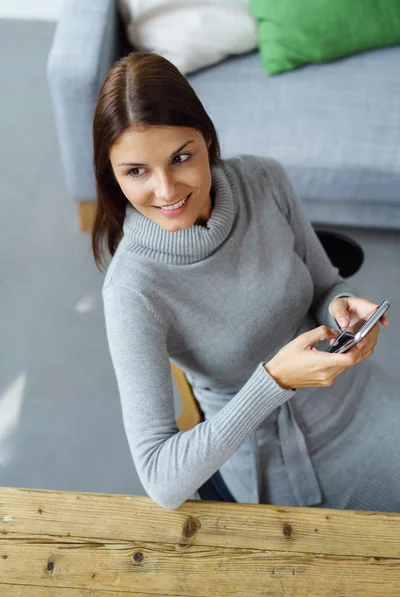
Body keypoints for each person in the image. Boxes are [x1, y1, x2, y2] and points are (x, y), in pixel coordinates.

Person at [92, 51, 399, 512]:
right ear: (112, 176)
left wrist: (343, 304)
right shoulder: (132, 291)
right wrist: (274, 381)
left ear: (208, 139)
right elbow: (160, 477)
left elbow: (323, 285)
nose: (166, 190)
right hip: (280, 460)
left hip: (363, 401)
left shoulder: (264, 179)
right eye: (136, 171)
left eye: (181, 158)